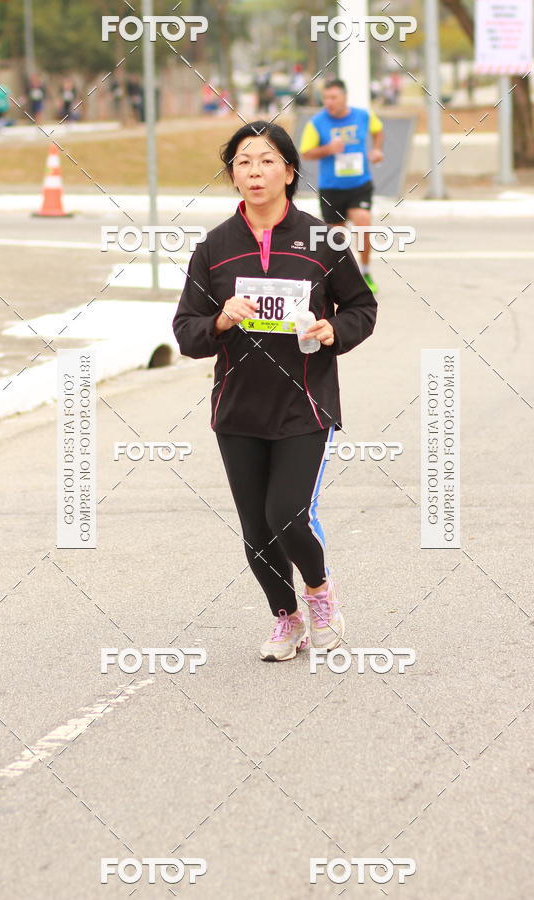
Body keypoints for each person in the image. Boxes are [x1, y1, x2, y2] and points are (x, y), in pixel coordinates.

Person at [172, 121, 377, 662]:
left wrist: (335, 329)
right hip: (238, 409)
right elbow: (186, 331)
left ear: (289, 171)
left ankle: (320, 595)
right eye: (243, 162)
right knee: (257, 529)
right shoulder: (213, 248)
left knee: (286, 513)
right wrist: (220, 321)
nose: (255, 171)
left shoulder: (324, 240)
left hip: (304, 404)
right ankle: (286, 618)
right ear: (232, 175)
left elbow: (362, 307)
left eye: (266, 161)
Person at [299, 79, 384, 294]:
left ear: (344, 97)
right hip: (331, 188)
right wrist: (328, 149)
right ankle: (341, 279)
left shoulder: (363, 116)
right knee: (337, 238)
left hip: (359, 184)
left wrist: (376, 149)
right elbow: (306, 152)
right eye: (325, 98)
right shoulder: (317, 123)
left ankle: (365, 272)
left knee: (363, 223)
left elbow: (378, 130)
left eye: (333, 97)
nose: (329, 102)